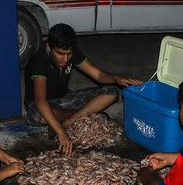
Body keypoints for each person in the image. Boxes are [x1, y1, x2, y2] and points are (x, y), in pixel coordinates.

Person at [24, 23, 141, 155]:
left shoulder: (71, 52)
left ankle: (69, 120)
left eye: (69, 54)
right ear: (49, 47)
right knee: (36, 115)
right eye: (60, 54)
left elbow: (98, 75)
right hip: (40, 103)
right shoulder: (39, 60)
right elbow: (40, 101)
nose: (65, 59)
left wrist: (117, 78)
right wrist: (62, 133)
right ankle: (86, 113)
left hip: (64, 98)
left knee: (111, 92)